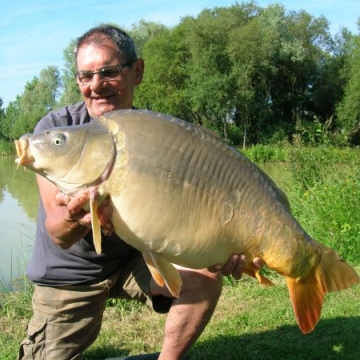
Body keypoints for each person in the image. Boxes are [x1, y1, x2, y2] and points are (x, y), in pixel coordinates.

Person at [18, 24, 263, 360]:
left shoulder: (157, 134)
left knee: (203, 275)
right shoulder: (58, 132)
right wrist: (79, 213)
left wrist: (225, 247)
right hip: (70, 275)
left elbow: (193, 210)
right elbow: (59, 233)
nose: (96, 85)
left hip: (134, 259)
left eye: (109, 72)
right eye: (85, 76)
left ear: (138, 72)